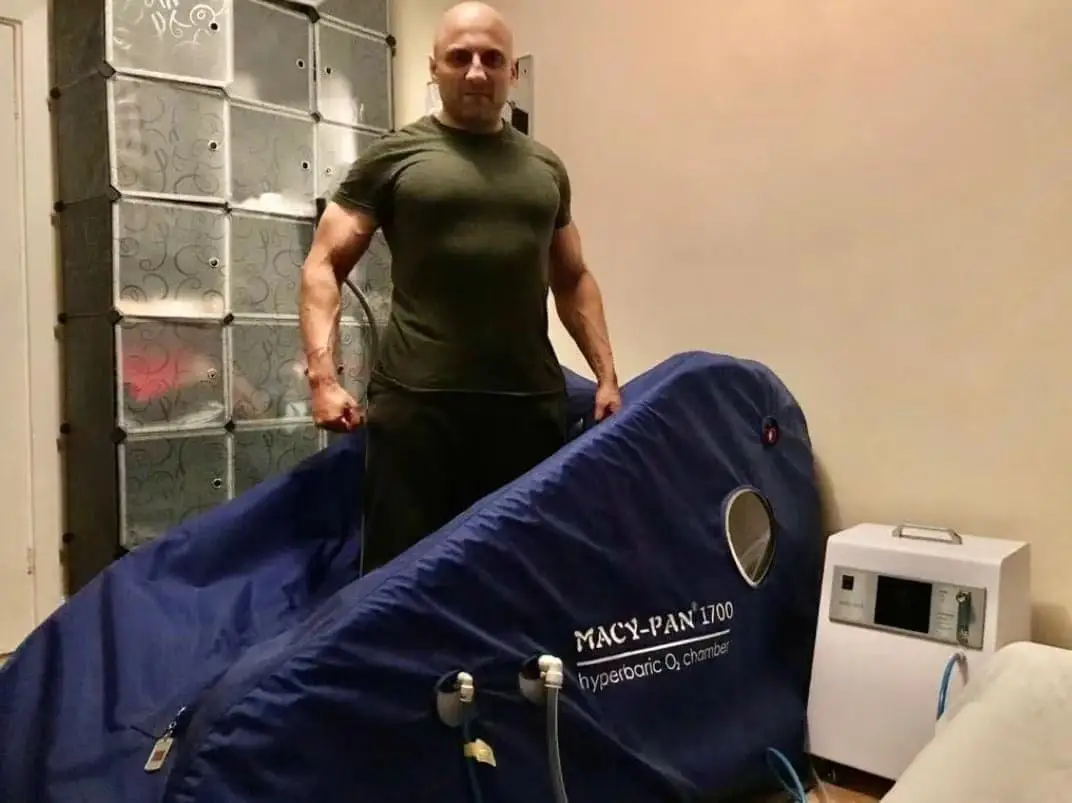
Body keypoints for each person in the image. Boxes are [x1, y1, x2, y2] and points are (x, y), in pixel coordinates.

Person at [298, 0, 621, 573]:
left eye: (492, 59)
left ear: (512, 72)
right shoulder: (394, 157)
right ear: (434, 67)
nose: (476, 72)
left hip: (527, 409)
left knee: (520, 574)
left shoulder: (546, 169)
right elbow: (323, 264)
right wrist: (324, 379)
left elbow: (572, 277)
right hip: (419, 410)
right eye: (460, 57)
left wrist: (606, 376)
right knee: (401, 579)